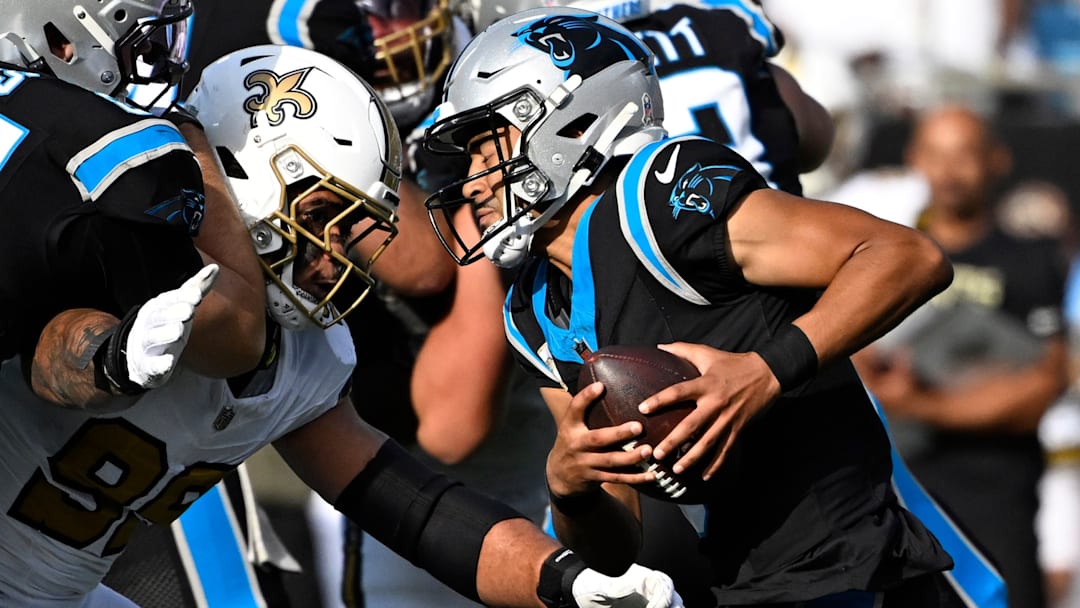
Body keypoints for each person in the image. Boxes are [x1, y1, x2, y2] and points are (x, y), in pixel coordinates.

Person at [0, 42, 683, 608]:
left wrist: (567, 581)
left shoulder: (305, 357)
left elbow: (417, 510)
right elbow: (52, 354)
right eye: (329, 214)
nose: (341, 250)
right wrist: (114, 354)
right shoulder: (127, 238)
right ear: (251, 177)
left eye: (355, 225)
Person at [419, 6, 979, 605]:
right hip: (741, 580)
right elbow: (616, 546)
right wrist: (569, 488)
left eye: (485, 148)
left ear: (568, 121)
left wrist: (764, 371)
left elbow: (908, 256)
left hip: (850, 561)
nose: (475, 182)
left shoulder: (657, 199)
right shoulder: (534, 312)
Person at [854, 104, 1071, 608]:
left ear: (997, 161)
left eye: (964, 155)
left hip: (997, 499)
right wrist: (978, 389)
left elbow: (1039, 388)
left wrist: (920, 403)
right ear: (914, 159)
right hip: (898, 495)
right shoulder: (887, 252)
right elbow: (856, 353)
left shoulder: (1031, 259)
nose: (948, 171)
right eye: (935, 154)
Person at [0, 0, 268, 408]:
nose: (146, 61)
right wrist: (188, 127)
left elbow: (47, 348)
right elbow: (238, 336)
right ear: (61, 42)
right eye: (136, 43)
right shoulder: (100, 146)